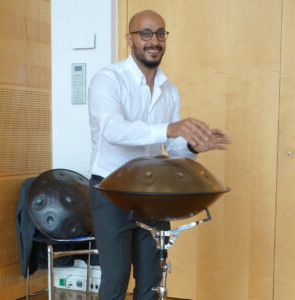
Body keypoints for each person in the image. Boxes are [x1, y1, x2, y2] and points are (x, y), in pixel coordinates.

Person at [88, 10, 231, 300]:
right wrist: (170, 127)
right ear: (130, 39)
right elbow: (113, 131)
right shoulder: (108, 80)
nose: (154, 41)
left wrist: (192, 146)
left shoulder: (169, 89)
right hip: (110, 192)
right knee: (115, 280)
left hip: (152, 193)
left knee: (152, 279)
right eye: (146, 33)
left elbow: (171, 147)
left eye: (160, 33)